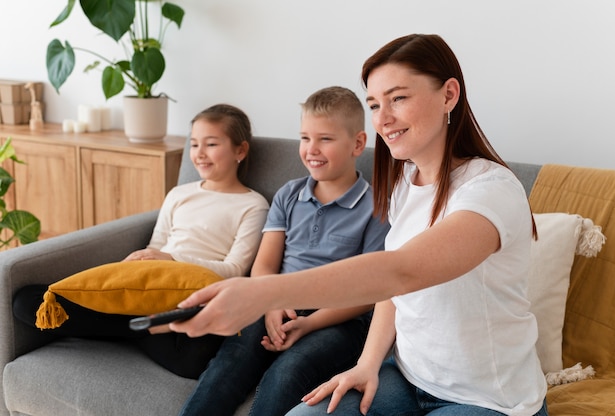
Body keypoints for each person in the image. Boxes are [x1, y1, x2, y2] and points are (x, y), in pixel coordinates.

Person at [172, 34, 549, 416]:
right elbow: (393, 293)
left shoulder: (491, 189)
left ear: (449, 95)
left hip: (489, 401)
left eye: (398, 99)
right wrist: (367, 365)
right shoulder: (407, 182)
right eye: (374, 104)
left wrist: (262, 293)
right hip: (405, 378)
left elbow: (402, 272)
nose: (383, 118)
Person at [12, 103, 269, 379]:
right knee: (27, 303)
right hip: (152, 281)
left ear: (240, 150)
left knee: (191, 363)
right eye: (194, 144)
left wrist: (173, 260)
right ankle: (143, 327)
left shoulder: (253, 205)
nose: (200, 154)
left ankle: (130, 327)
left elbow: (235, 270)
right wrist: (141, 262)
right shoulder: (179, 194)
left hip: (197, 295)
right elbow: (156, 245)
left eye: (211, 144)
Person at [178, 86, 390, 416]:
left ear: (358, 144)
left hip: (338, 319)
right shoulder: (289, 195)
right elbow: (264, 265)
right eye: (305, 138)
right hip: (276, 301)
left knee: (287, 374)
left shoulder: (376, 206)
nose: (311, 149)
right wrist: (271, 303)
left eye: (325, 139)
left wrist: (309, 324)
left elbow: (370, 292)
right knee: (229, 364)